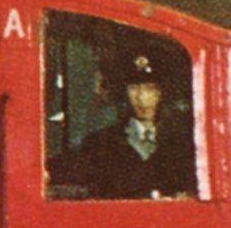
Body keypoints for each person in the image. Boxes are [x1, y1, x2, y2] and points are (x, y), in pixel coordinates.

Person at [62, 50, 195, 200]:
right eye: (134, 89)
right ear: (124, 93)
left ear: (162, 93)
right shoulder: (99, 143)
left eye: (150, 88)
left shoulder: (184, 143)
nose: (142, 98)